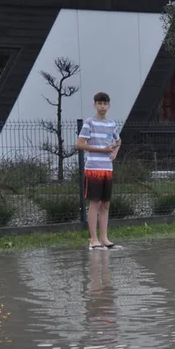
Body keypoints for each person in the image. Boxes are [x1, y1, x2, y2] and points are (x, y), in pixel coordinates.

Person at [76, 92, 121, 249]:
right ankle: (93, 239)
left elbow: (118, 140)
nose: (102, 106)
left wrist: (114, 153)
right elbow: (80, 144)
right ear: (95, 104)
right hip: (93, 168)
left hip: (107, 169)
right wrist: (101, 150)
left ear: (109, 105)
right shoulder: (89, 122)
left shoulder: (111, 124)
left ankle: (104, 238)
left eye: (105, 103)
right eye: (100, 103)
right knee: (94, 203)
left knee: (105, 204)